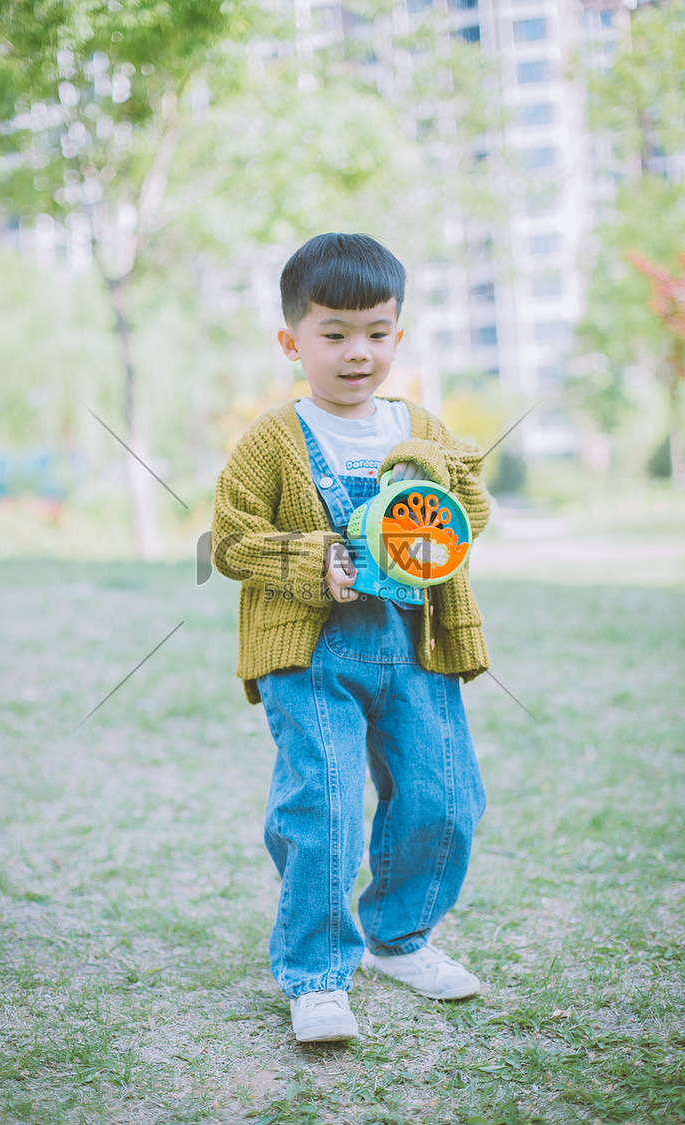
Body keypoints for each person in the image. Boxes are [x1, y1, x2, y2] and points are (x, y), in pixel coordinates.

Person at [211, 232, 490, 1043]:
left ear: (398, 336)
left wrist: (441, 490)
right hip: (313, 653)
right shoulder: (274, 437)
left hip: (416, 643)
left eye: (375, 332)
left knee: (444, 795)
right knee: (324, 802)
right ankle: (317, 972)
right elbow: (228, 540)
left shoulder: (422, 425)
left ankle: (399, 937)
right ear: (291, 340)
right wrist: (309, 558)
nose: (356, 352)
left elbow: (470, 517)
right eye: (333, 334)